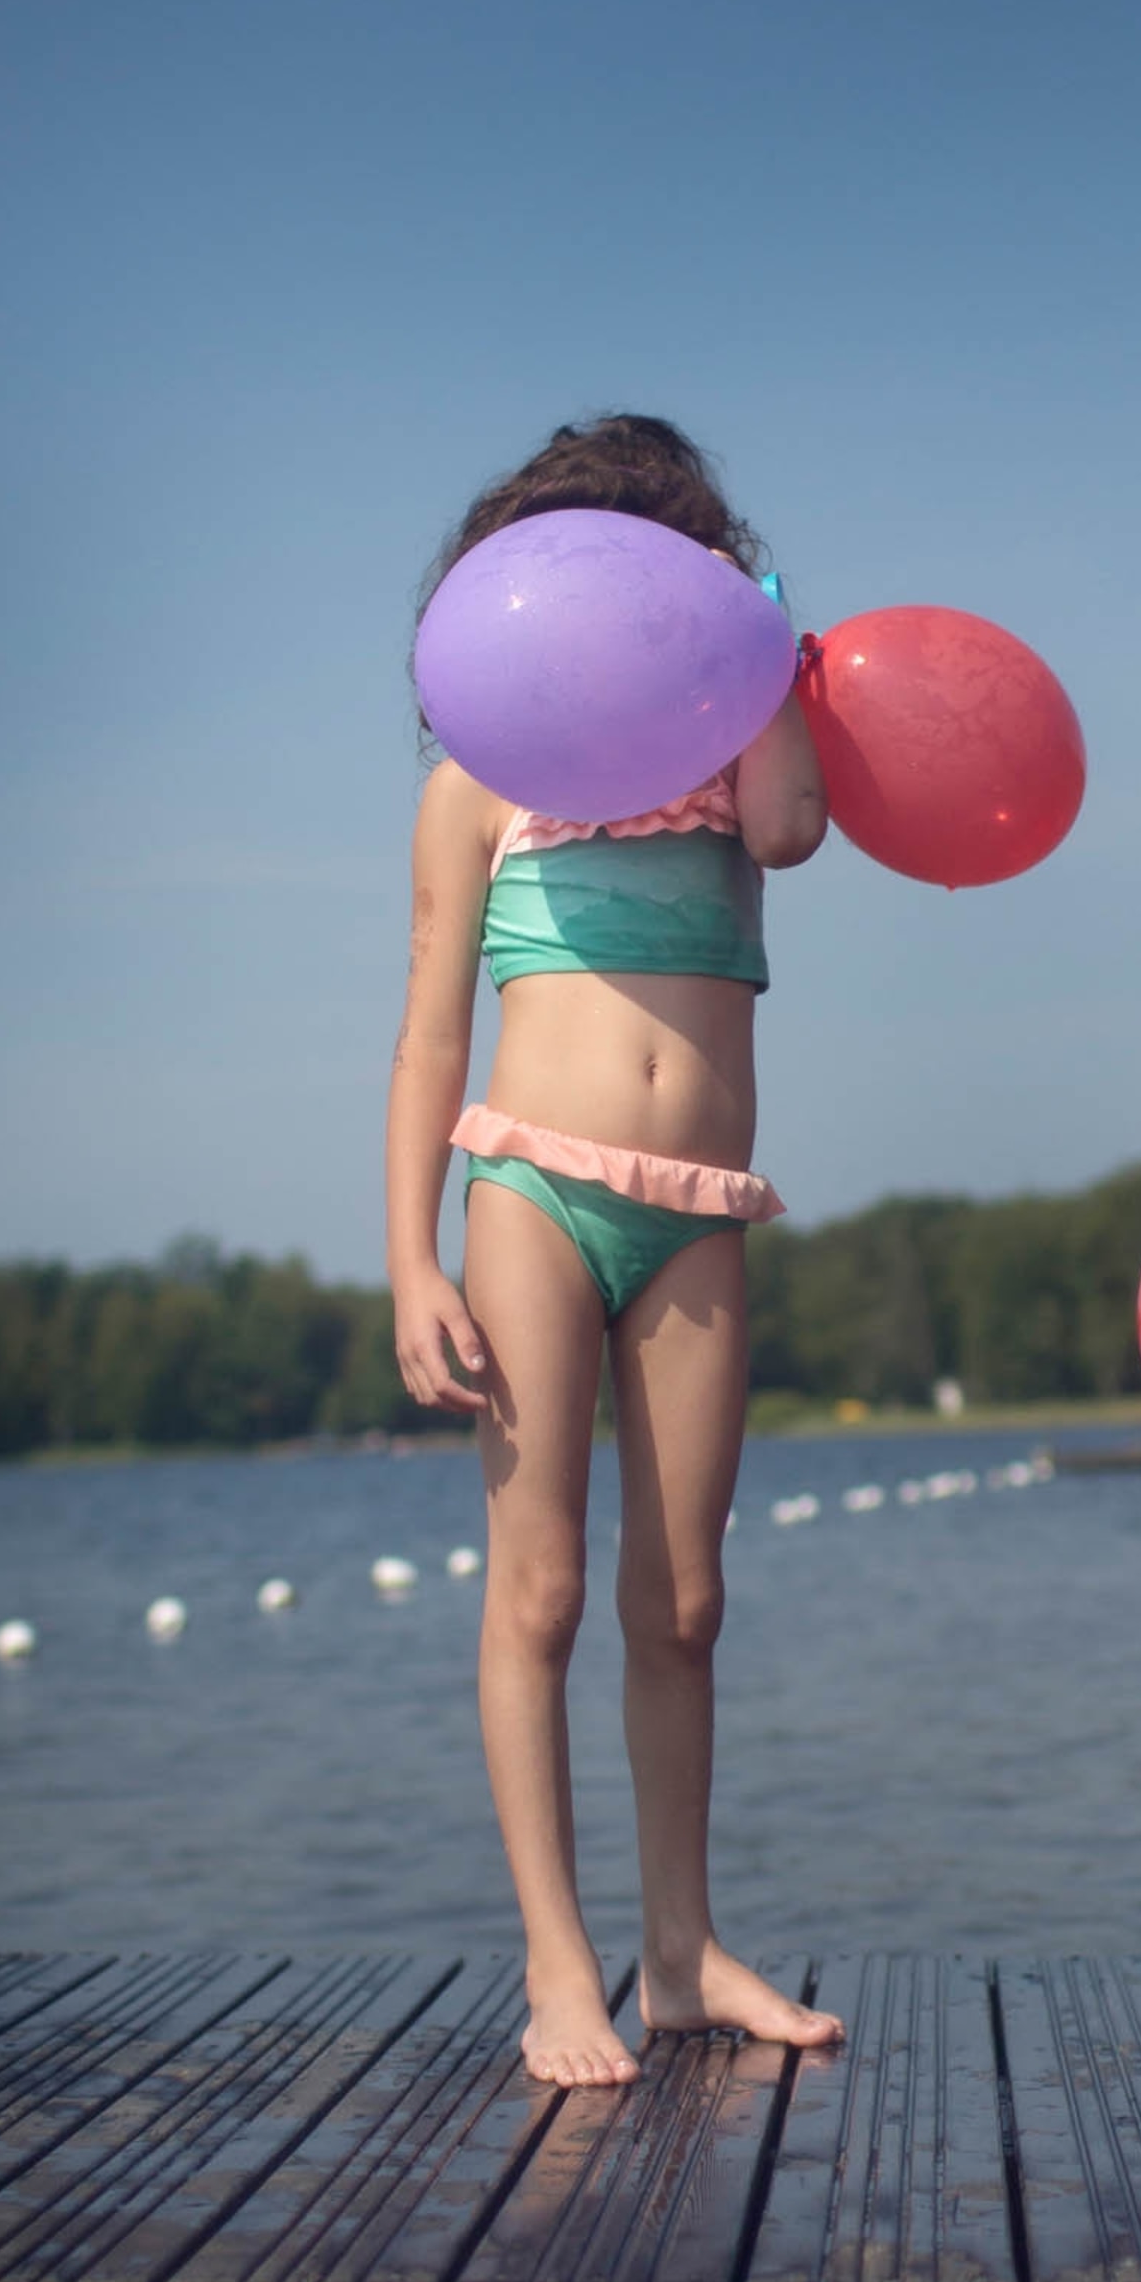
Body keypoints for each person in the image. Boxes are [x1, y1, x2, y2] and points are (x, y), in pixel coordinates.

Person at [386, 415, 844, 2086]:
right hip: (529, 1192)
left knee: (686, 1600)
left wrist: (768, 645)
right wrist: (409, 1260)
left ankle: (680, 1952)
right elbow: (429, 1039)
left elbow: (797, 830)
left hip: (696, 1206)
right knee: (543, 1587)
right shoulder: (478, 788)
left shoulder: (735, 758)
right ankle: (555, 1966)